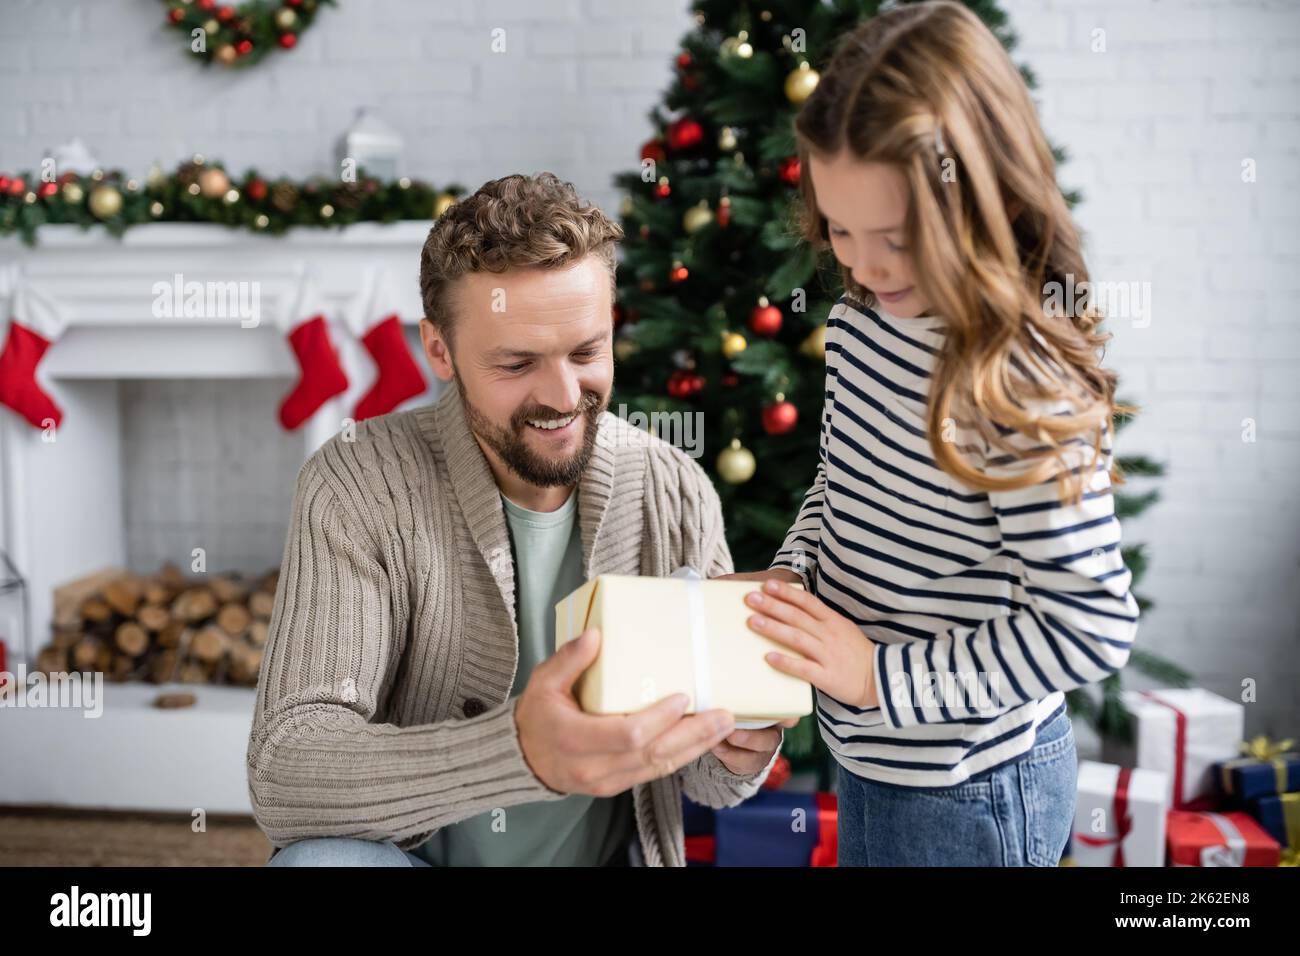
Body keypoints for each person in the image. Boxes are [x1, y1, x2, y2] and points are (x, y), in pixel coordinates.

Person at [250, 172, 789, 867]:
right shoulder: (357, 482)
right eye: (517, 362)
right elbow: (288, 770)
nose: (564, 397)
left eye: (587, 352)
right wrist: (516, 752)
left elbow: (708, 781)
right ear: (438, 350)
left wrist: (737, 748)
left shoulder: (672, 488)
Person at [724, 1, 1138, 866]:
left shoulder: (1018, 382)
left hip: (973, 788)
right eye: (839, 230)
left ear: (984, 202)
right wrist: (792, 583)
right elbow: (840, 486)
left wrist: (878, 677)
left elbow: (1090, 622)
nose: (864, 266)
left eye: (897, 239)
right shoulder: (860, 323)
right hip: (872, 757)